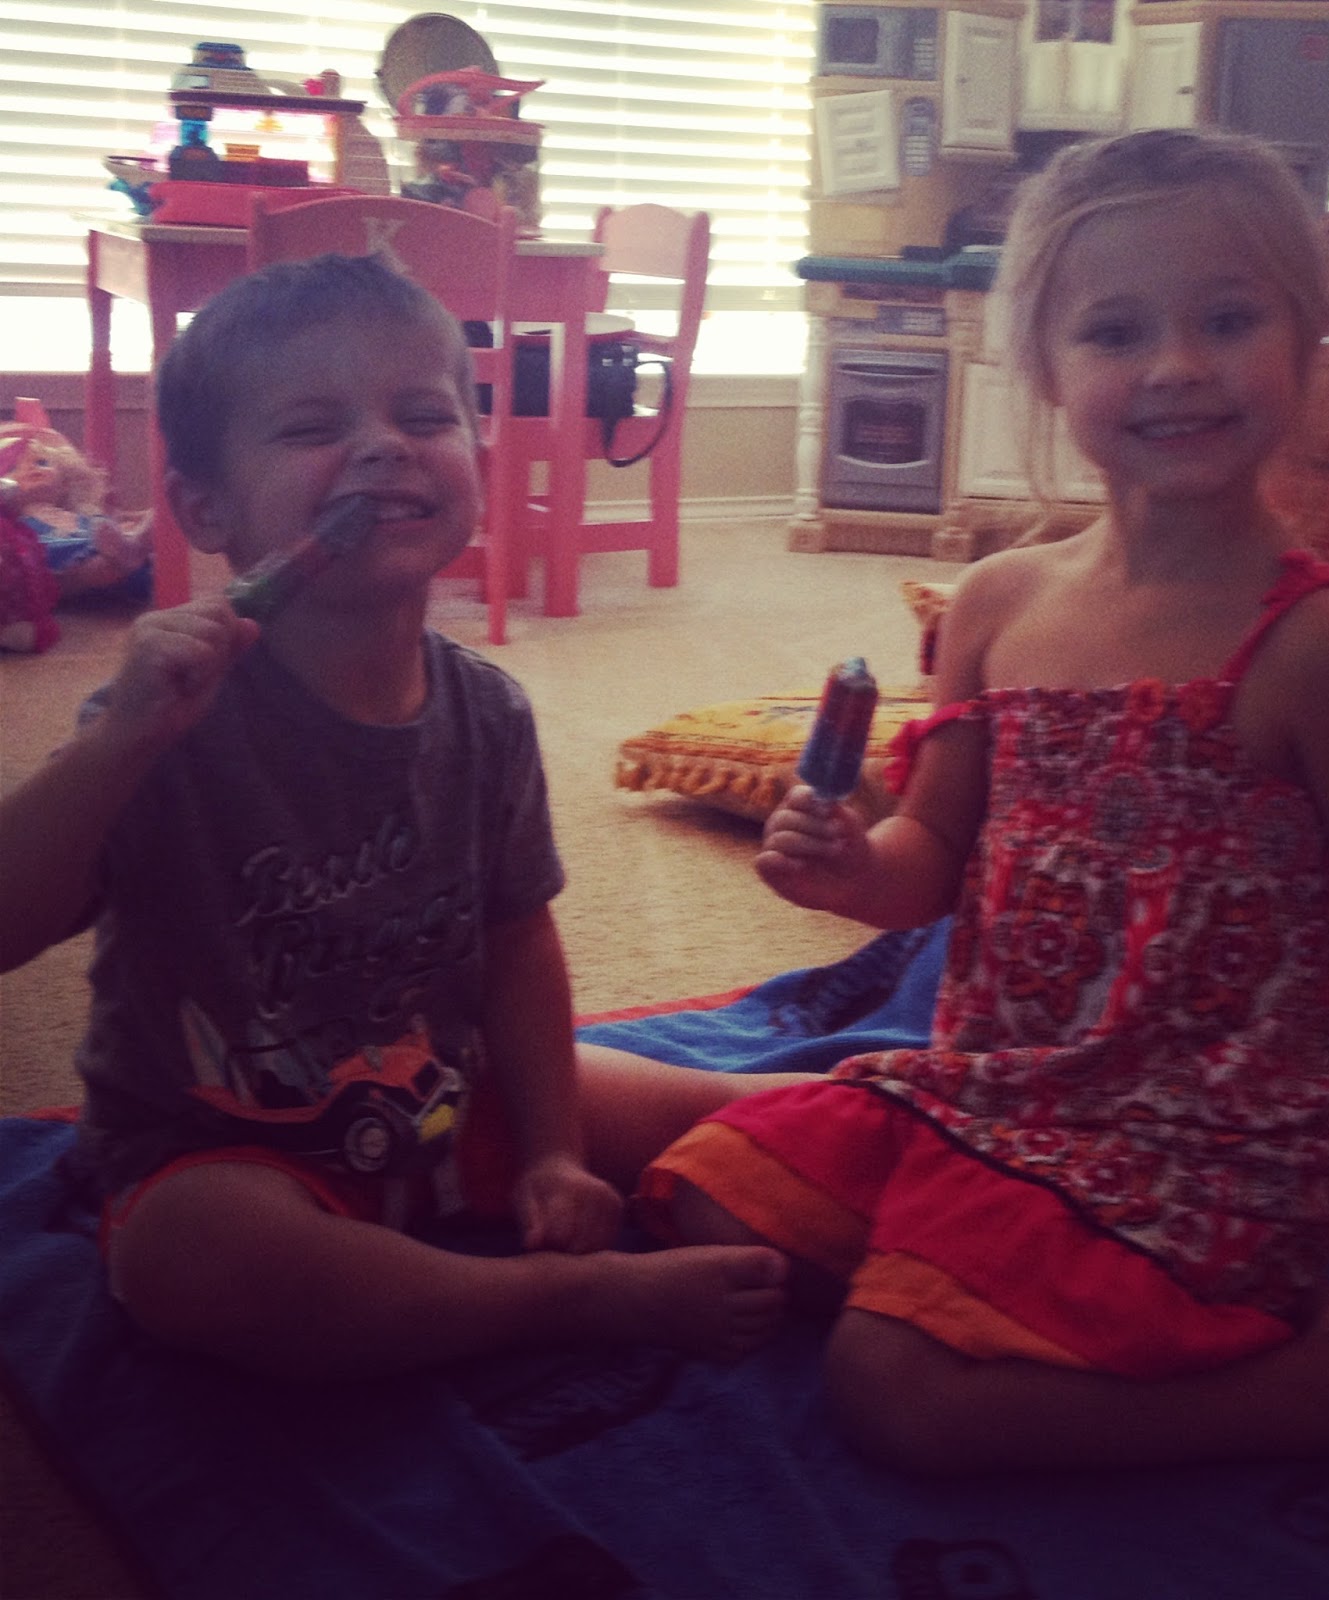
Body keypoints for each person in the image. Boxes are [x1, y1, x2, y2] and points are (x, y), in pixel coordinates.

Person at [636, 128, 1329, 1472]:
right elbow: (932, 854)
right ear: (1042, 365)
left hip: (1201, 1146)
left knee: (893, 1388)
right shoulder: (994, 603)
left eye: (1228, 319)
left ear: (1306, 338)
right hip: (993, 1095)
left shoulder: (1319, 648)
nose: (1177, 365)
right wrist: (852, 870)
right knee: (714, 1203)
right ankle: (1013, 1301)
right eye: (1116, 330)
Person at [0, 251, 786, 1380]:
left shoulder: (487, 713)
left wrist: (556, 1153)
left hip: (441, 1099)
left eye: (424, 416)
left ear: (476, 462)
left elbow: (517, 941)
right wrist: (117, 745)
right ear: (205, 506)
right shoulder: (161, 718)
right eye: (314, 426)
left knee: (731, 1109)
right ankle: (558, 1301)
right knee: (195, 1259)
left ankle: (907, 1105)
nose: (384, 447)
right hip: (228, 1149)